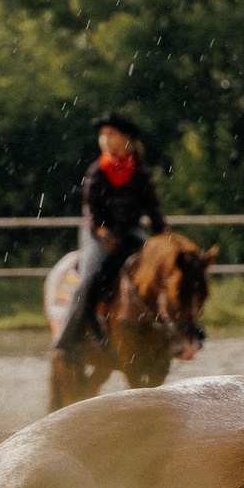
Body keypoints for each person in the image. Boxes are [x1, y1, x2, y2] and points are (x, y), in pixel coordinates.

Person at [52, 111, 167, 356]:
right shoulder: (98, 170)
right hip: (100, 234)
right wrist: (100, 229)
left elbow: (152, 207)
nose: (104, 139)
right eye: (102, 135)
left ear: (126, 139)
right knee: (89, 278)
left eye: (110, 134)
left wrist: (164, 233)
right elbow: (90, 208)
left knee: (163, 269)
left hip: (131, 232)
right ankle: (68, 338)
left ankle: (180, 330)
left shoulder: (141, 172)